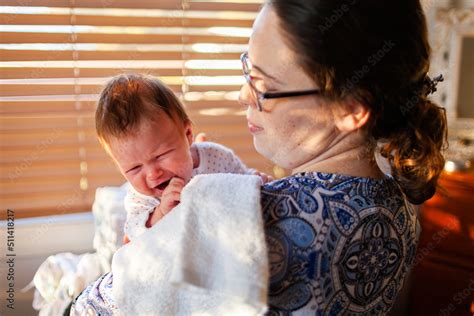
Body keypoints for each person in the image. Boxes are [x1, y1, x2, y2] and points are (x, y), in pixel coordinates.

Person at [71, 0, 447, 314]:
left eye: (263, 86)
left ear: (350, 109)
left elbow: (95, 306)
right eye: (246, 68)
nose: (242, 95)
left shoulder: (245, 220)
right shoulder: (400, 209)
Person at [96, 73, 272, 242]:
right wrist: (161, 213)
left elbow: (241, 179)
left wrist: (256, 180)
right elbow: (135, 234)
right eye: (134, 168)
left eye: (160, 155)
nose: (152, 174)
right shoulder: (139, 199)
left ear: (187, 134)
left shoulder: (215, 157)